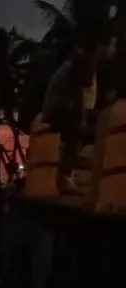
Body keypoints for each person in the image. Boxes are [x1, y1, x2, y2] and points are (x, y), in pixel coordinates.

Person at [43, 38, 111, 194]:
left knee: (94, 124)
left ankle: (71, 168)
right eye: (112, 45)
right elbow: (77, 92)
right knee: (90, 130)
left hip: (62, 109)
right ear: (101, 47)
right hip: (60, 111)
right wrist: (83, 120)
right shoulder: (81, 61)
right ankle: (66, 174)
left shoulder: (82, 62)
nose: (113, 50)